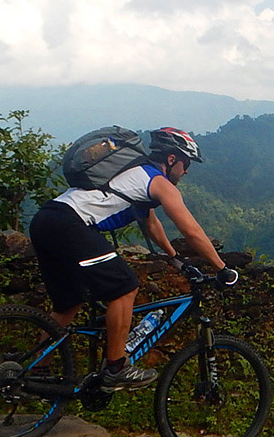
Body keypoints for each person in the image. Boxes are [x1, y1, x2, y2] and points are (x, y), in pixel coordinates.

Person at [28, 127, 237, 391]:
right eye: (186, 164)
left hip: (46, 220)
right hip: (71, 225)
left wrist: (175, 259)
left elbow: (151, 225)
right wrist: (223, 269)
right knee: (125, 286)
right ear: (172, 159)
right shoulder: (159, 182)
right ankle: (116, 367)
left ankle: (36, 369)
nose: (186, 172)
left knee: (68, 303)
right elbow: (191, 230)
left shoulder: (134, 174)